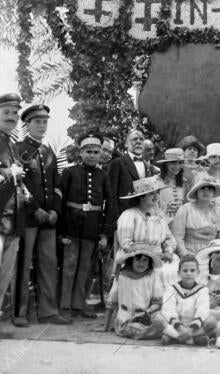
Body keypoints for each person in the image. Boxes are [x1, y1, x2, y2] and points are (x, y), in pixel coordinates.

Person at [13, 104, 68, 326]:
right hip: (28, 217)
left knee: (48, 264)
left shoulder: (48, 153)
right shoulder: (19, 149)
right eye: (37, 122)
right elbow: (18, 185)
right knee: (23, 265)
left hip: (48, 220)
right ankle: (19, 313)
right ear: (27, 125)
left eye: (45, 122)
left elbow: (56, 186)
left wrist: (55, 210)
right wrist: (34, 208)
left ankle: (49, 311)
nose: (42, 126)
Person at [58, 134, 115, 320]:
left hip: (92, 228)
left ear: (100, 154)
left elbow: (110, 205)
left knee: (85, 267)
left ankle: (79, 304)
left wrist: (105, 233)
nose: (92, 155)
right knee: (69, 265)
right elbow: (61, 202)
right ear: (80, 152)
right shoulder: (69, 173)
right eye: (88, 151)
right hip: (71, 227)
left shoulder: (103, 176)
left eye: (96, 152)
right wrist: (62, 231)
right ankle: (64, 305)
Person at [115, 176, 178, 286]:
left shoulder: (159, 214)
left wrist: (168, 251)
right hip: (136, 258)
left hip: (160, 257)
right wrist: (151, 253)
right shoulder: (129, 215)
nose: (156, 196)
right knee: (158, 272)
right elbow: (126, 244)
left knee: (176, 269)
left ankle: (166, 301)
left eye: (157, 192)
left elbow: (168, 238)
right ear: (141, 197)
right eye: (151, 193)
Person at [0, 93, 27, 319]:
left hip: (13, 220)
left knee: (5, 274)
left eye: (14, 113)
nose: (11, 117)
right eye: (6, 112)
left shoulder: (12, 146)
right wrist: (10, 173)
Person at [104, 249, 166, 340]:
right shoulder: (121, 276)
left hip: (145, 317)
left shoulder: (152, 276)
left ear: (149, 262)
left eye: (145, 260)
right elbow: (111, 303)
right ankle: (161, 333)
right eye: (138, 260)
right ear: (131, 261)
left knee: (162, 321)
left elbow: (157, 302)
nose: (141, 263)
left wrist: (150, 310)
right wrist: (105, 327)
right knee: (137, 329)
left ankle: (163, 332)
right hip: (125, 320)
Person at [161, 254, 212, 346]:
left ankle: (177, 337)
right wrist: (180, 327)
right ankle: (188, 337)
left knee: (211, 321)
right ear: (179, 273)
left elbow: (202, 310)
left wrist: (191, 328)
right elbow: (168, 309)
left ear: (198, 272)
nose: (188, 273)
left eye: (192, 270)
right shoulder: (171, 288)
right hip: (176, 326)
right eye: (185, 270)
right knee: (157, 317)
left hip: (194, 326)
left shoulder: (203, 289)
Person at [172, 176, 220, 256]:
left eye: (210, 189)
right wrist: (185, 255)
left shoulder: (219, 212)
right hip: (189, 254)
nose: (206, 191)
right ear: (196, 191)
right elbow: (177, 237)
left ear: (213, 193)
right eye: (202, 188)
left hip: (212, 256)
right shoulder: (185, 209)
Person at [109, 129, 157, 216]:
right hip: (124, 216)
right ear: (126, 143)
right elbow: (112, 196)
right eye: (135, 139)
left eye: (141, 139)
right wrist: (114, 222)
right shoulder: (117, 163)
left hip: (145, 216)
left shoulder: (149, 167)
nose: (138, 142)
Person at [156, 148, 187, 224]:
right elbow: (152, 206)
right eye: (173, 162)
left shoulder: (186, 182)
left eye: (180, 162)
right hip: (162, 224)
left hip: (182, 224)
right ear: (166, 164)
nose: (177, 166)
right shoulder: (156, 181)